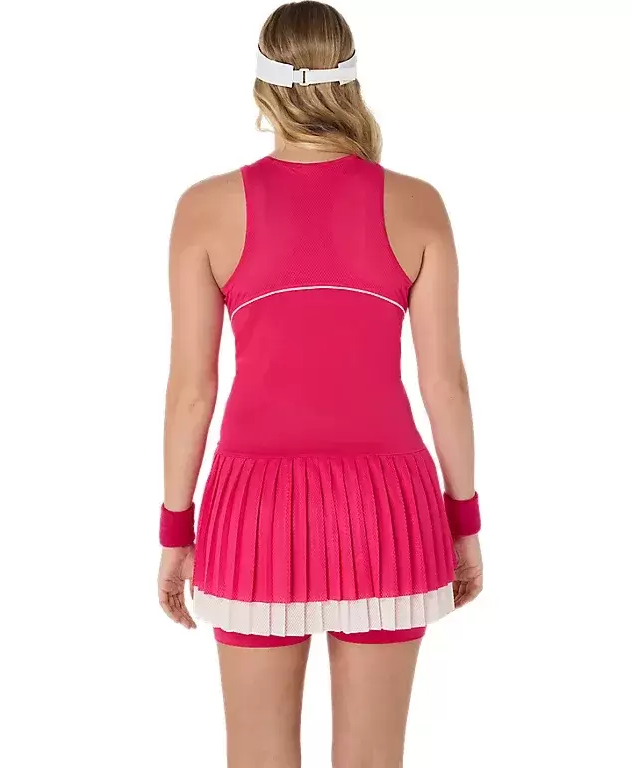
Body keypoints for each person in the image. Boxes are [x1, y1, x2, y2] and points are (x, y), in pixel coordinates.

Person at [157, 2, 483, 765]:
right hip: (388, 510)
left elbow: (192, 392)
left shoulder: (206, 208)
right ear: (351, 78)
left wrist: (176, 531)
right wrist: (463, 520)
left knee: (258, 753)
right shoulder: (417, 204)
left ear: (262, 85)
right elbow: (444, 383)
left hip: (253, 510)